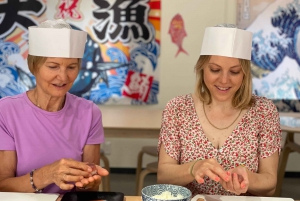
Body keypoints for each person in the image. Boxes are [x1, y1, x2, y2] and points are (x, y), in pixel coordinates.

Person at [157, 24, 281, 196]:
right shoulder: (178, 108)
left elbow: (270, 183)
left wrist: (248, 179)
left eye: (235, 72)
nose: (224, 80)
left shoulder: (264, 112)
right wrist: (193, 168)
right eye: (215, 70)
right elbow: (163, 176)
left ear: (245, 73)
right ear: (202, 68)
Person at [0, 19, 109, 194]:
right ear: (34, 66)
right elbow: (2, 185)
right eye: (53, 66)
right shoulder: (6, 112)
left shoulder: (89, 112)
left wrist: (88, 182)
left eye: (72, 67)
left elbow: (91, 186)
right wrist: (47, 175)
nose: (63, 77)